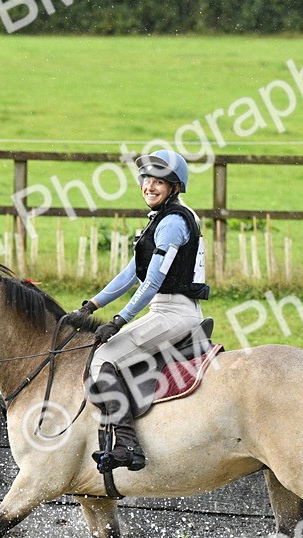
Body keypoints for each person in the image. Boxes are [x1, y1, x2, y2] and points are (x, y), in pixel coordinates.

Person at [67, 149, 209, 472]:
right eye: (147, 180)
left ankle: (129, 444)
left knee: (103, 357)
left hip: (174, 313)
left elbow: (154, 281)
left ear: (174, 187)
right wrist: (91, 306)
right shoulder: (160, 221)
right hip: (168, 310)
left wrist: (119, 321)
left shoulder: (173, 223)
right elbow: (131, 273)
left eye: (159, 182)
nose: (149, 187)